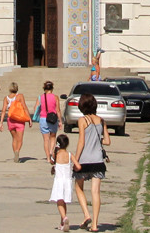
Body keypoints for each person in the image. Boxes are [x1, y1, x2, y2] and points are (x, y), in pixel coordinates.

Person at [72, 93, 107, 232]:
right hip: (98, 160)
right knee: (95, 192)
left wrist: (75, 159)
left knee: (78, 187)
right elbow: (107, 141)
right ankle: (95, 225)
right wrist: (97, 140)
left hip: (84, 160)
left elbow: (81, 142)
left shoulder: (82, 120)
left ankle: (86, 214)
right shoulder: (101, 120)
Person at [48, 132, 75, 231]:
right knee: (64, 202)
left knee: (59, 201)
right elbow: (78, 165)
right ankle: (62, 223)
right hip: (67, 181)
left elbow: (51, 161)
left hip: (59, 181)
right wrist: (74, 168)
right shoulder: (69, 154)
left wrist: (53, 150)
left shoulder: (56, 154)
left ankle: (64, 218)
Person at [2, 82, 31, 162]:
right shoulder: (20, 96)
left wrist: (1, 123)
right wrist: (29, 119)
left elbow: (3, 111)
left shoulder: (6, 98)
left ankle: (15, 153)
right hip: (19, 120)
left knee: (14, 138)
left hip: (11, 120)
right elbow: (25, 107)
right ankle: (17, 151)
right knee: (20, 139)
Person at [36, 80, 61, 160]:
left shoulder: (40, 97)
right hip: (53, 118)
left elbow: (36, 108)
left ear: (44, 88)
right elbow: (58, 110)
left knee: (46, 140)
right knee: (53, 137)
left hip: (43, 118)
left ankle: (47, 157)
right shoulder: (55, 97)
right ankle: (51, 152)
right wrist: (60, 121)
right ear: (52, 88)